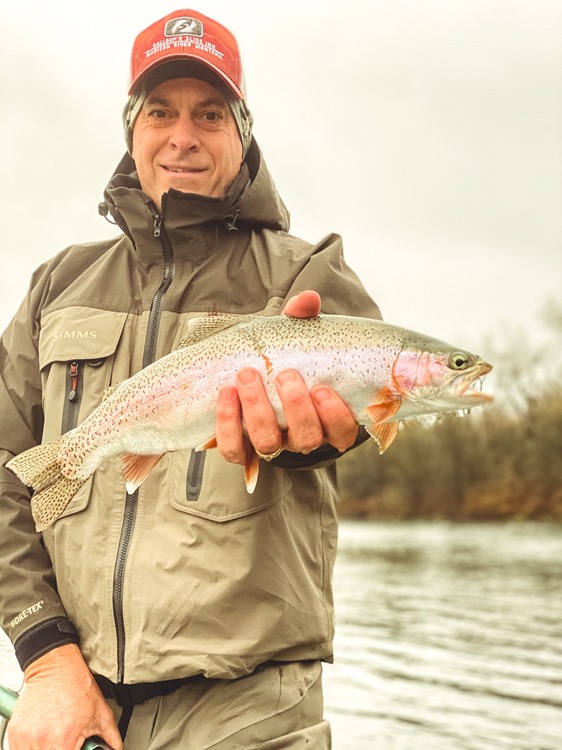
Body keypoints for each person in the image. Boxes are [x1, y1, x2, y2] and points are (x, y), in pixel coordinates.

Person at [0, 9, 381, 749]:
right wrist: (44, 654)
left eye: (209, 114)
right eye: (160, 113)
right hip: (76, 699)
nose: (183, 136)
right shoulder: (57, 284)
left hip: (250, 710)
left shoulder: (308, 272)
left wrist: (312, 439)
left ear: (243, 130)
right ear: (130, 130)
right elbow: (3, 474)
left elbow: (346, 419)